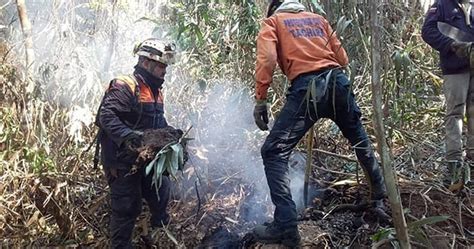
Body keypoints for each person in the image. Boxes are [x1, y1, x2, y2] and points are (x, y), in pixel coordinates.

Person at [252, 0, 386, 246]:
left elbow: (268, 59)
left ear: (274, 8)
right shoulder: (318, 20)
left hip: (307, 88)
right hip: (338, 82)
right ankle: (380, 195)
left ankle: (285, 225)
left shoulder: (273, 22)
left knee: (273, 151)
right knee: (359, 140)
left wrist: (261, 100)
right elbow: (342, 58)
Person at [97, 38, 176, 248]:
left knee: (162, 190)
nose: (164, 70)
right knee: (127, 207)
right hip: (122, 161)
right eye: (161, 65)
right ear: (145, 62)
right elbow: (106, 117)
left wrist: (171, 135)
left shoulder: (156, 91)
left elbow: (157, 122)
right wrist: (128, 136)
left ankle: (159, 235)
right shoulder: (125, 85)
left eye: (165, 66)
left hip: (146, 159)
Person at [422, 0, 473, 186]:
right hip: (455, 70)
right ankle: (454, 168)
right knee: (455, 115)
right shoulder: (442, 5)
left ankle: (472, 169)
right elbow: (428, 32)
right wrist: (453, 46)